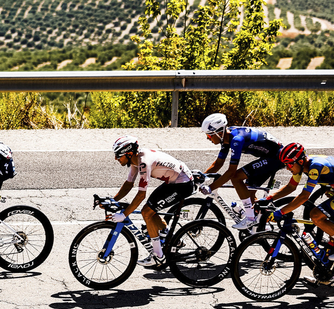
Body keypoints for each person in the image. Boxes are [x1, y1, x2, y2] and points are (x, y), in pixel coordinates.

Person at [263, 142, 334, 261]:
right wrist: (267, 199)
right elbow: (291, 186)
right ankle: (325, 276)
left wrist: (280, 212)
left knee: (316, 215)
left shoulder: (315, 167)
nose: (287, 168)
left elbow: (303, 197)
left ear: (299, 161)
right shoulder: (303, 165)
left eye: (289, 164)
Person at [110, 135, 194, 268]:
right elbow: (128, 184)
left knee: (146, 212)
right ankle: (172, 239)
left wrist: (124, 214)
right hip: (173, 180)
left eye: (118, 155)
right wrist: (112, 200)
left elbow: (141, 195)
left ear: (129, 153)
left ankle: (158, 256)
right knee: (150, 210)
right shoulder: (134, 160)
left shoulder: (144, 162)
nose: (116, 158)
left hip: (182, 184)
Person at [200, 113, 285, 230]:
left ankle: (250, 219)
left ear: (219, 133)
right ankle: (261, 226)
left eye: (209, 136)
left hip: (275, 158)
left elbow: (231, 172)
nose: (207, 138)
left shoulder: (236, 140)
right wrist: (201, 177)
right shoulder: (226, 138)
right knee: (248, 192)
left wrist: (211, 187)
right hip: (268, 156)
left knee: (236, 178)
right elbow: (218, 164)